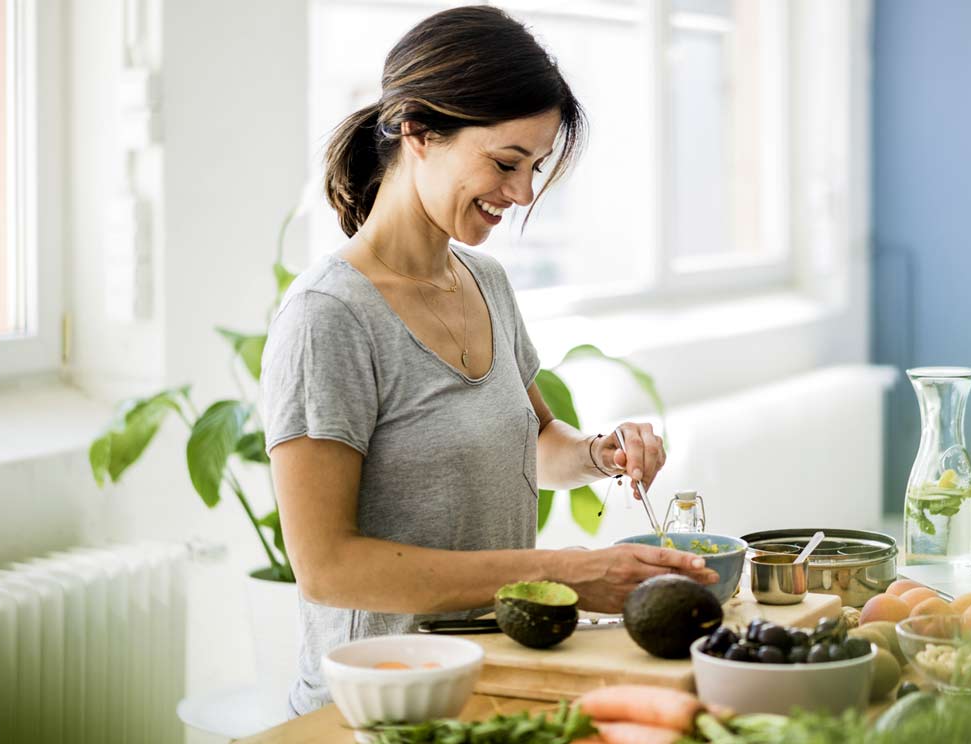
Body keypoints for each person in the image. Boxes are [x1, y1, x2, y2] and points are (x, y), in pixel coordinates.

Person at [260, 5, 718, 716]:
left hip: (495, 676)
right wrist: (566, 572)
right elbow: (328, 568)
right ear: (417, 129)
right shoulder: (329, 317)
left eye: (535, 168)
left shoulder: (486, 282)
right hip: (381, 704)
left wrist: (600, 453)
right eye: (507, 162)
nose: (524, 193)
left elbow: (535, 445)